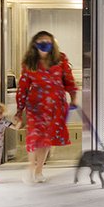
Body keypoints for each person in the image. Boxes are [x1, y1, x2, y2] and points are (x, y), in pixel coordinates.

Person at [13, 30, 78, 183]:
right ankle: (30, 168)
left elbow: (68, 80)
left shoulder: (60, 59)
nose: (44, 44)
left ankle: (39, 170)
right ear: (35, 44)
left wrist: (74, 98)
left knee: (46, 139)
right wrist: (19, 109)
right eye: (41, 41)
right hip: (36, 106)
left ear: (52, 44)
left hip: (56, 105)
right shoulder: (29, 62)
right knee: (34, 136)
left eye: (47, 41)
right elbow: (23, 87)